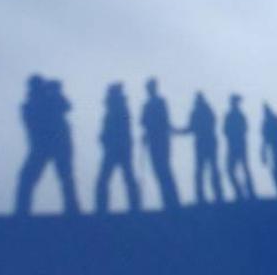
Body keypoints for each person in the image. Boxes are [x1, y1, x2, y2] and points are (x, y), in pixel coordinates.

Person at [14, 75, 80, 215]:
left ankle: (72, 209)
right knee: (29, 179)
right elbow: (65, 107)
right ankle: (22, 211)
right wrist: (54, 93)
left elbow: (67, 106)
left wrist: (56, 92)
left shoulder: (45, 101)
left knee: (64, 177)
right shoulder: (31, 105)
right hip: (44, 146)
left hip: (55, 145)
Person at [94, 83, 141, 213]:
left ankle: (102, 208)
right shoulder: (118, 107)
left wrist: (105, 138)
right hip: (120, 147)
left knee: (107, 178)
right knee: (127, 177)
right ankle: (134, 205)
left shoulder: (118, 108)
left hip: (116, 148)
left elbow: (115, 129)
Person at [140, 78, 180, 210]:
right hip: (157, 141)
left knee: (163, 170)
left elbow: (161, 121)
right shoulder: (151, 104)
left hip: (160, 141)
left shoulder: (157, 103)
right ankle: (169, 200)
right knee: (160, 170)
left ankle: (172, 201)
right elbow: (144, 122)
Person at [179, 92, 223, 204]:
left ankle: (203, 196)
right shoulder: (207, 110)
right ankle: (217, 195)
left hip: (203, 143)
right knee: (211, 168)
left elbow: (190, 128)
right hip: (209, 142)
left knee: (202, 170)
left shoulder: (198, 112)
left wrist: (176, 131)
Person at [223, 94, 255, 201]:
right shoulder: (234, 115)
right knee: (236, 169)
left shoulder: (236, 116)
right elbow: (226, 131)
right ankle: (244, 192)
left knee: (239, 169)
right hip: (236, 145)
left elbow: (241, 129)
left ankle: (247, 192)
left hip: (237, 145)